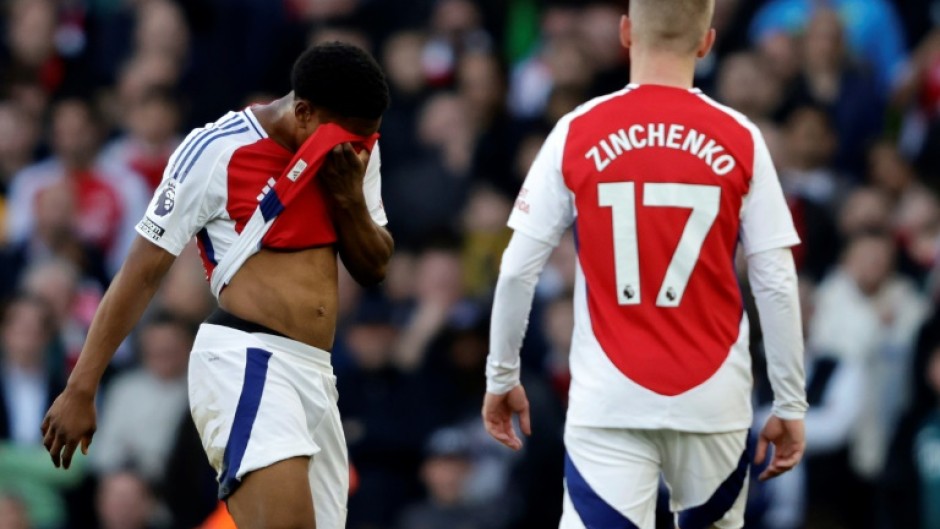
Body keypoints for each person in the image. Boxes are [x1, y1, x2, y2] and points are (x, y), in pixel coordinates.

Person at [482, 1, 808, 528]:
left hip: (610, 398)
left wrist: (502, 375)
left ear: (626, 32)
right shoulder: (740, 136)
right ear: (707, 42)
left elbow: (518, 268)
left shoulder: (577, 130)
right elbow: (775, 279)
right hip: (713, 398)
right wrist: (790, 402)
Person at [41, 42, 394, 529]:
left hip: (316, 373)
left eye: (368, 139)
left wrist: (350, 199)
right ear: (305, 112)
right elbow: (141, 272)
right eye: (353, 138)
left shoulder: (353, 150)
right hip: (245, 358)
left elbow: (374, 267)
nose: (360, 148)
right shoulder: (216, 149)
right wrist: (81, 387)